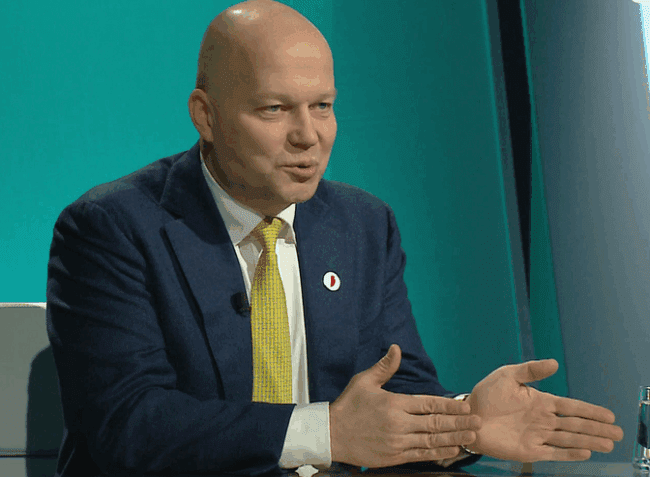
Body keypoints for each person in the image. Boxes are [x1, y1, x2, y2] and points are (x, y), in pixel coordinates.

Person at [46, 1, 624, 476]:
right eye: (275, 109)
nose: (308, 135)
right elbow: (128, 425)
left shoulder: (362, 225)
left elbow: (397, 386)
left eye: (322, 106)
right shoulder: (112, 227)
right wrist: (325, 433)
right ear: (206, 115)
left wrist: (465, 422)